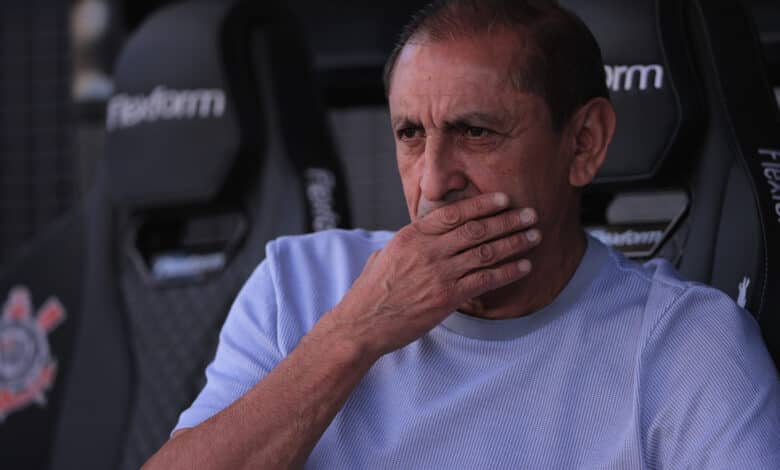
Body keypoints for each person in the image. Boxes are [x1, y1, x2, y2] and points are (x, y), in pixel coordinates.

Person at [145, 1, 780, 468]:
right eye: (411, 135)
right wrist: (355, 333)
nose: (434, 181)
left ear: (584, 144)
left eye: (476, 132)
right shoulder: (299, 285)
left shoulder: (686, 347)